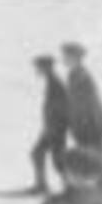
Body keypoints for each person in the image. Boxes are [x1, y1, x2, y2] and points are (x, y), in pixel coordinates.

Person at [62, 41, 102, 188]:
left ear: (75, 58)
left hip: (91, 126)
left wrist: (84, 128)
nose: (64, 60)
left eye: (66, 57)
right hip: (86, 126)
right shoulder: (74, 75)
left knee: (95, 162)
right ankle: (101, 197)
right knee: (92, 162)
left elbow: (89, 105)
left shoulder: (81, 76)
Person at [29, 54, 69, 194]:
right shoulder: (52, 81)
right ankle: (41, 185)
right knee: (37, 153)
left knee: (58, 159)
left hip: (55, 127)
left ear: (46, 68)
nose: (36, 70)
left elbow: (62, 107)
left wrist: (54, 127)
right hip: (51, 126)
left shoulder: (55, 83)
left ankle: (68, 188)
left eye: (38, 67)